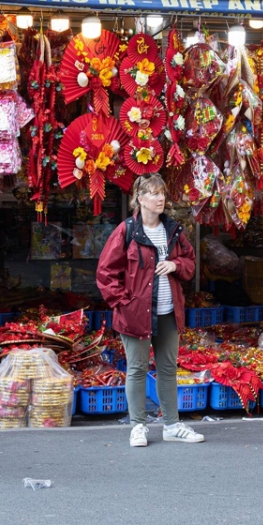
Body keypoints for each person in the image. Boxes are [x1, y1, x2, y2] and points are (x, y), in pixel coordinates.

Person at [96, 173, 205, 447]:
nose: (160, 199)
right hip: (136, 313)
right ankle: (138, 426)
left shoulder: (174, 230)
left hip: (169, 311)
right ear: (140, 198)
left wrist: (176, 265)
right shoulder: (127, 230)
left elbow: (190, 262)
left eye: (162, 194)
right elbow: (106, 272)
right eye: (155, 194)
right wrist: (124, 302)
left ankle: (171, 424)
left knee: (167, 368)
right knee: (137, 368)